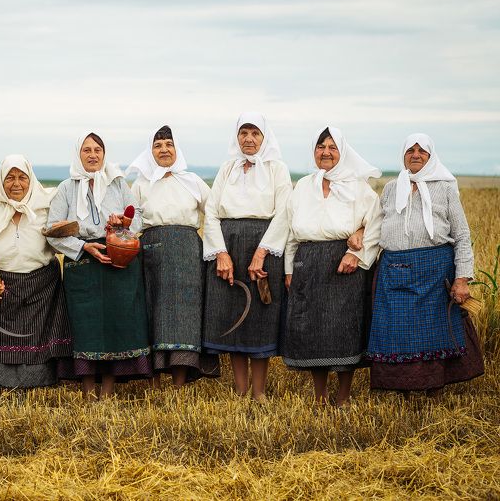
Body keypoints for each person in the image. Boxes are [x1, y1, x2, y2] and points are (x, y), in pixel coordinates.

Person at [366, 133, 484, 395]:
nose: (416, 155)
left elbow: (462, 235)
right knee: (397, 333)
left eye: (422, 151)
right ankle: (403, 389)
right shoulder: (391, 188)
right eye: (410, 150)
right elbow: (376, 225)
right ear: (403, 155)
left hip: (435, 271)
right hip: (393, 270)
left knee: (434, 333)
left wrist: (462, 278)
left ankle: (434, 389)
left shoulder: (445, 187)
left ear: (431, 157)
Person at [46, 133, 152, 399]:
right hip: (82, 265)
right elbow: (52, 230)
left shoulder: (117, 183)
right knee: (86, 326)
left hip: (118, 260)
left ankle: (107, 390)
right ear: (78, 154)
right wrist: (83, 247)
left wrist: (124, 223)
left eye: (97, 150)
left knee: (115, 323)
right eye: (86, 150)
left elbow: (137, 215)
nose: (93, 155)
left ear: (104, 154)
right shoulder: (66, 188)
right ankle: (86, 390)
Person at [282, 126, 382, 407]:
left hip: (343, 264)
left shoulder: (358, 187)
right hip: (307, 262)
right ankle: (319, 396)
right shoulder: (303, 186)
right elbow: (291, 232)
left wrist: (355, 254)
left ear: (342, 152)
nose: (325, 152)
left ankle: (343, 396)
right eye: (320, 146)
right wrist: (289, 269)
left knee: (343, 327)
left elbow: (376, 222)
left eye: (332, 147)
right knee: (312, 328)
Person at [202, 113, 293, 400]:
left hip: (264, 245)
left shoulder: (277, 169)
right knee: (232, 314)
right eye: (243, 133)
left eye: (255, 133)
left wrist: (262, 252)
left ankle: (259, 392)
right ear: (236, 137)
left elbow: (284, 212)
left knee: (259, 317)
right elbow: (211, 212)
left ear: (264, 137)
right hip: (228, 244)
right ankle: (241, 390)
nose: (249, 139)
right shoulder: (227, 168)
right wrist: (221, 254)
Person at [0, 155, 73, 389]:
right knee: (0, 336)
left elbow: (60, 234)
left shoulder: (46, 204)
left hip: (41, 284)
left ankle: (37, 381)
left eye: (22, 177)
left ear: (30, 179)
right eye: (10, 178)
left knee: (36, 336)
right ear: (1, 181)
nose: (16, 183)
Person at [127, 125, 217, 387]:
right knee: (151, 311)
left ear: (177, 149)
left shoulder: (193, 181)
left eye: (169, 144)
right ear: (150, 151)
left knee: (185, 315)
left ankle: (179, 382)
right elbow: (133, 222)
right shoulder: (141, 184)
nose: (164, 149)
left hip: (188, 252)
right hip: (151, 252)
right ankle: (153, 381)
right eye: (158, 145)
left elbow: (211, 216)